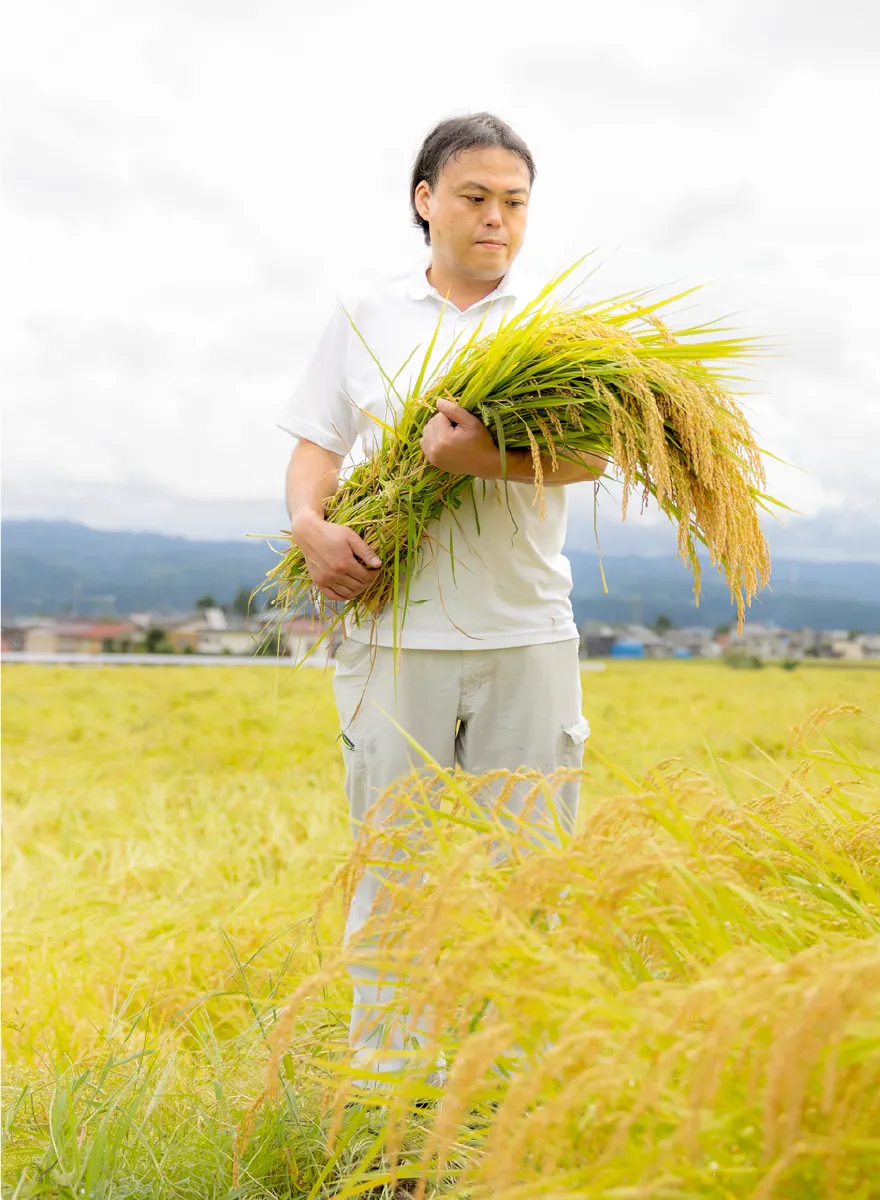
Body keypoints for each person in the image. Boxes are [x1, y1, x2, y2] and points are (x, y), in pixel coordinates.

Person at [277, 112, 599, 1084]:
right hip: (392, 631)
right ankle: (388, 1094)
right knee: (393, 870)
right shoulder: (365, 312)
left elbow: (591, 455)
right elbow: (317, 445)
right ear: (425, 201)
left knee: (531, 873)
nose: (497, 218)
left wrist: (479, 459)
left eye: (515, 202)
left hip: (525, 633)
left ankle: (515, 1090)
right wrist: (308, 525)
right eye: (476, 197)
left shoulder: (555, 325)